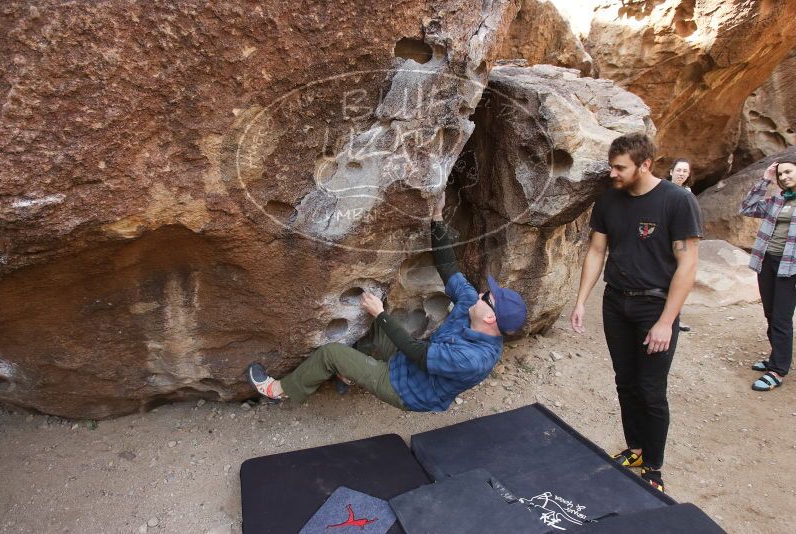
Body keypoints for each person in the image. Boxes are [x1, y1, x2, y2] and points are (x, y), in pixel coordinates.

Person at [245, 192, 528, 412]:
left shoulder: (473, 360)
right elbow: (448, 267)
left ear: (491, 318)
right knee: (381, 328)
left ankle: (278, 390)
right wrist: (437, 215)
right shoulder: (471, 307)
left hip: (405, 389)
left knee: (332, 353)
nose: (480, 294)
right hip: (410, 363)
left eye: (487, 298)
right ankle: (349, 374)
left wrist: (380, 314)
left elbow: (416, 352)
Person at [570, 133, 702, 493]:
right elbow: (597, 251)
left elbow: (687, 266)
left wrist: (665, 321)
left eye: (619, 167)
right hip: (616, 302)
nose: (612, 173)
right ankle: (636, 449)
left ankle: (654, 469)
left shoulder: (676, 201)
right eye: (612, 165)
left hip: (654, 306)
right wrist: (582, 300)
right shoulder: (609, 200)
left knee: (651, 390)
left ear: (644, 165)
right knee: (625, 382)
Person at [739, 157, 796, 392]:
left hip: (790, 267)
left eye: (789, 172)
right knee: (771, 314)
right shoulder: (777, 199)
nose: (784, 177)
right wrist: (765, 179)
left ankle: (778, 370)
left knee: (782, 318)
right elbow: (747, 207)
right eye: (781, 174)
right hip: (768, 262)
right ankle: (776, 358)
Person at [667, 158, 695, 332]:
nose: (682, 174)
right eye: (679, 170)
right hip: (663, 241)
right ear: (671, 171)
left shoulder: (688, 193)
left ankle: (675, 318)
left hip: (679, 240)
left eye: (685, 171)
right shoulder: (662, 190)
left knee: (680, 277)